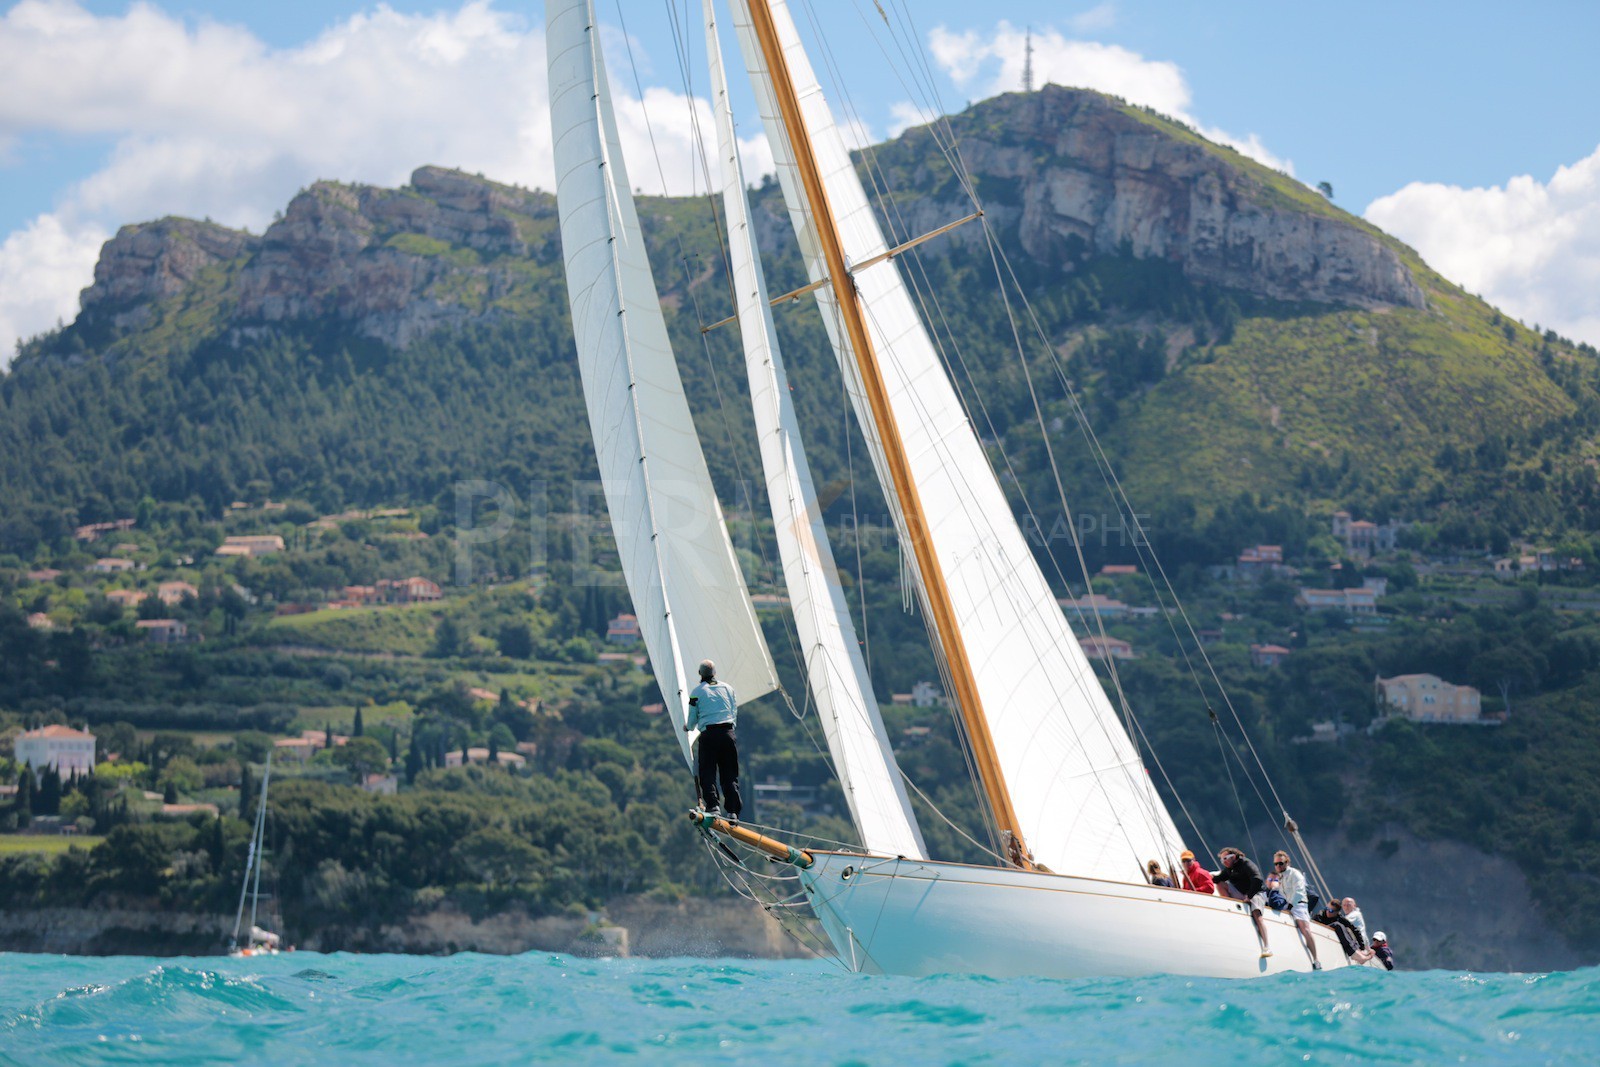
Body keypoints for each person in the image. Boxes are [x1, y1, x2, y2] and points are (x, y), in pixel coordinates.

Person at [684, 659, 742, 822]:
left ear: (700, 674)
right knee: (729, 773)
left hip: (709, 735)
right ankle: (732, 811)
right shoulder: (728, 688)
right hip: (728, 732)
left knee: (707, 771)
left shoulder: (697, 692)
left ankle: (713, 806)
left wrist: (687, 727)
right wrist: (730, 728)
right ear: (714, 673)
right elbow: (733, 710)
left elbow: (692, 719)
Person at [1214, 847, 1271, 957]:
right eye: (1221, 860)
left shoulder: (1246, 863)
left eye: (1225, 858)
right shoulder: (1229, 869)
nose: (1224, 861)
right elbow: (1217, 879)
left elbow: (1258, 880)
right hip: (1241, 893)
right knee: (1220, 883)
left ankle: (1267, 947)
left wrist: (1249, 896)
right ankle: (1230, 907)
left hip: (1255, 893)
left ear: (1233, 857)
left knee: (1257, 915)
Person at [1271, 850, 1320, 971]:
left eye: (1280, 863)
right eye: (1276, 864)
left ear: (1287, 862)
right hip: (1287, 905)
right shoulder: (1280, 877)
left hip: (1299, 905)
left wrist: (1289, 907)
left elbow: (1298, 892)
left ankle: (1316, 959)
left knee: (1305, 929)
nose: (1278, 866)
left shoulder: (1295, 874)